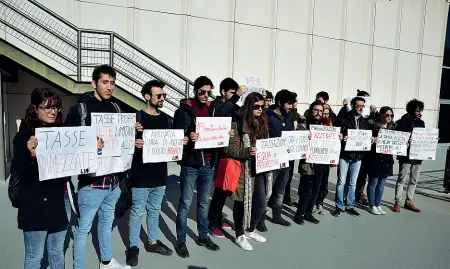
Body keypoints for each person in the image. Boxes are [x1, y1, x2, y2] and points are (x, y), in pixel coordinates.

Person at [65, 65, 131, 269]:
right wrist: (90, 143)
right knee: (83, 229)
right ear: (94, 83)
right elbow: (68, 141)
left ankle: (106, 261)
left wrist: (133, 133)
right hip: (91, 184)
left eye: (112, 83)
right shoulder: (80, 109)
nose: (109, 87)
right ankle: (79, 267)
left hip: (112, 182)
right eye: (105, 82)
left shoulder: (117, 108)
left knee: (105, 223)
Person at [125, 80, 184, 266]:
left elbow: (171, 144)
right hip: (140, 174)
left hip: (159, 174)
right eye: (159, 95)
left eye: (164, 95)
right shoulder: (136, 119)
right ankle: (133, 247)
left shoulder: (167, 119)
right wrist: (132, 138)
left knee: (154, 210)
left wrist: (180, 143)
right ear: (147, 97)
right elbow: (122, 144)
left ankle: (152, 241)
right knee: (136, 212)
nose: (162, 99)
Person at [12, 88, 68, 269]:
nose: (53, 112)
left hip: (59, 201)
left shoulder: (63, 134)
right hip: (34, 204)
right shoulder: (23, 137)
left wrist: (94, 148)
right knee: (35, 256)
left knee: (57, 252)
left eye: (56, 108)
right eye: (47, 107)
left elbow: (69, 168)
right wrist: (31, 156)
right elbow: (23, 174)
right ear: (35, 109)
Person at [173, 76, 221, 258]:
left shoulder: (213, 109)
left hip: (208, 163)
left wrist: (226, 132)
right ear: (195, 91)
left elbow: (217, 131)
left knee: (203, 202)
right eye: (202, 91)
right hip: (191, 164)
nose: (205, 95)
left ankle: (202, 235)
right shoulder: (184, 111)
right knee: (185, 203)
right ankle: (181, 241)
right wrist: (187, 137)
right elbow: (175, 137)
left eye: (209, 92)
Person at [224, 92, 271, 250]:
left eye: (262, 107)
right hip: (242, 170)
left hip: (259, 168)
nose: (259, 109)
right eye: (256, 106)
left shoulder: (263, 122)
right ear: (249, 106)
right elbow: (228, 149)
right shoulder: (237, 123)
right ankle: (239, 234)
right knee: (240, 203)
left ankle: (251, 229)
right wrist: (246, 152)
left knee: (261, 203)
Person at [208, 77, 247, 238]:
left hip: (232, 154)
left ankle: (218, 218)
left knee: (225, 190)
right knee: (219, 191)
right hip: (220, 156)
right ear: (223, 92)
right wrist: (237, 95)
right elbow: (221, 115)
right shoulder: (215, 106)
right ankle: (213, 223)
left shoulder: (235, 107)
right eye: (232, 92)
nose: (235, 95)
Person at [334, 96, 370, 217]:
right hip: (345, 154)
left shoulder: (364, 121)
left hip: (358, 156)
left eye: (362, 106)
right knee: (341, 181)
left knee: (353, 183)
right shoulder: (344, 118)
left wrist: (371, 139)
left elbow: (366, 136)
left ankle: (350, 205)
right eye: (358, 105)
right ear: (353, 105)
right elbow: (336, 133)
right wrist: (341, 137)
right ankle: (338, 206)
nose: (360, 108)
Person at [265, 89, 295, 227]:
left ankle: (277, 215)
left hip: (286, 160)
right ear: (279, 102)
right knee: (267, 191)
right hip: (271, 161)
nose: (290, 107)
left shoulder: (289, 117)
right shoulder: (268, 117)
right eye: (288, 104)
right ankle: (260, 217)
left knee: (280, 190)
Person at [293, 101, 325, 225]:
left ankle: (308, 212)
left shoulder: (325, 124)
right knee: (306, 190)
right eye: (316, 110)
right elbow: (297, 138)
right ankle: (299, 213)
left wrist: (336, 136)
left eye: (320, 111)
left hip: (321, 162)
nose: (318, 113)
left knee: (316, 189)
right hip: (308, 162)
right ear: (311, 111)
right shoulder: (304, 123)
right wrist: (305, 135)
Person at [393, 99, 426, 213]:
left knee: (414, 179)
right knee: (402, 178)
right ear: (411, 110)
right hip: (405, 155)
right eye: (417, 110)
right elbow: (397, 138)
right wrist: (407, 140)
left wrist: (431, 140)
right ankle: (397, 202)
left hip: (418, 155)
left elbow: (424, 137)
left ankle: (409, 201)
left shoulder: (421, 123)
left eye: (420, 110)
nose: (419, 112)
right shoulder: (401, 122)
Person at [367, 106, 396, 215]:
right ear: (382, 114)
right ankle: (371, 205)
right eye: (387, 115)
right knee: (373, 182)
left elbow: (399, 140)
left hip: (387, 158)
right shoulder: (373, 126)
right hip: (375, 157)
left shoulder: (394, 127)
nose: (389, 117)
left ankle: (377, 204)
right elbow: (367, 138)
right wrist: (373, 139)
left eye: (391, 115)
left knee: (382, 183)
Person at [283, 91, 305, 206]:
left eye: (295, 101)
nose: (295, 104)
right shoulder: (287, 114)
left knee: (289, 176)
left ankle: (286, 197)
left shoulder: (296, 115)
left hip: (292, 151)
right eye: (293, 101)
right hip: (283, 150)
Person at [312, 105, 332, 214]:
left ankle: (320, 202)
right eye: (322, 112)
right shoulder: (312, 123)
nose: (324, 115)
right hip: (315, 159)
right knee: (315, 184)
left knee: (324, 184)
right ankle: (313, 203)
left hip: (326, 159)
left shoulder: (330, 125)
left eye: (326, 113)